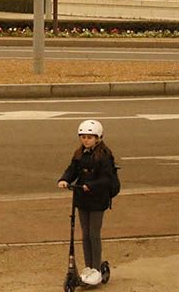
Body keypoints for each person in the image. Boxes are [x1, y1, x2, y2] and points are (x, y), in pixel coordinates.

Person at [57, 119, 117, 288]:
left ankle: (97, 269)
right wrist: (64, 179)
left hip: (98, 199)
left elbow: (107, 178)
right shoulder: (79, 154)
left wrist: (90, 185)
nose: (86, 140)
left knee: (93, 233)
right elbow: (72, 170)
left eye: (90, 137)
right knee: (84, 234)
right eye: (83, 137)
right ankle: (89, 266)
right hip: (82, 198)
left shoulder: (104, 155)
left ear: (98, 138)